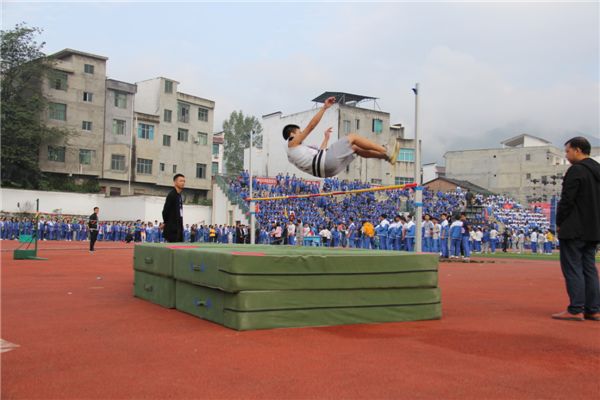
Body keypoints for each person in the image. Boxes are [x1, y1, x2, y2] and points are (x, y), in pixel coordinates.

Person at [283, 96, 401, 178]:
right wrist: (324, 108)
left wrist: (326, 138)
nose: (301, 133)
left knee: (355, 149)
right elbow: (311, 126)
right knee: (352, 137)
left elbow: (321, 153)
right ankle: (386, 150)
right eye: (299, 132)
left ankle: (386, 157)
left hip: (328, 171)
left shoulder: (295, 155)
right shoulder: (291, 142)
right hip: (326, 163)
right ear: (292, 134)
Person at [553, 137, 600, 321]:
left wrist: (559, 222)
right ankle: (594, 309)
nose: (567, 155)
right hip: (593, 228)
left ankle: (576, 308)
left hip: (574, 228)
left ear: (578, 150)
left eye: (567, 151)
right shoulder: (597, 171)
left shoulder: (576, 171)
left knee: (573, 267)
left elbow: (567, 200)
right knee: (589, 268)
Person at [162, 174, 185, 243]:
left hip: (179, 227)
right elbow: (165, 211)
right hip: (172, 229)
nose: (183, 183)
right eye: (181, 181)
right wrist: (166, 222)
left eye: (184, 181)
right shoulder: (172, 195)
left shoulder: (179, 195)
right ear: (175, 182)